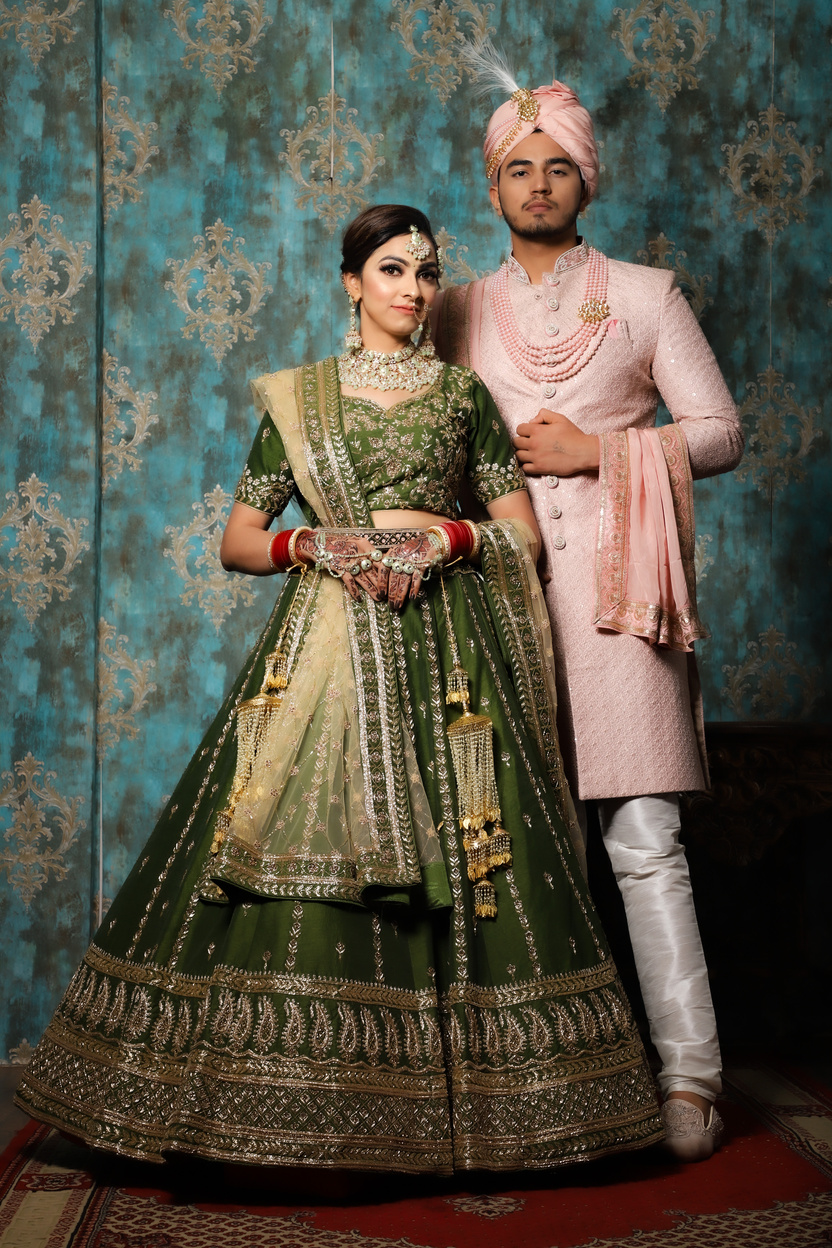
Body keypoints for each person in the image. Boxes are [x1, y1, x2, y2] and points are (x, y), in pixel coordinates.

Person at [16, 204, 663, 1175]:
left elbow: (519, 534)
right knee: (266, 842)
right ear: (350, 283)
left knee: (476, 860)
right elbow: (237, 541)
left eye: (426, 272)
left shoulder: (461, 399)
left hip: (443, 638)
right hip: (326, 636)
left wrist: (445, 539)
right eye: (392, 270)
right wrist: (314, 541)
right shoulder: (298, 400)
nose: (412, 288)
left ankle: (497, 1119)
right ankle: (263, 1107)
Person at [434, 61, 744, 1162]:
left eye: (555, 166)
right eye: (516, 169)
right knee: (508, 841)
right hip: (497, 596)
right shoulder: (457, 306)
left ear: (585, 179)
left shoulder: (649, 294)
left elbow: (718, 431)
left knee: (643, 837)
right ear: (491, 187)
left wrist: (598, 453)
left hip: (626, 596)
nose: (536, 185)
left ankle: (691, 1080)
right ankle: (535, 1082)